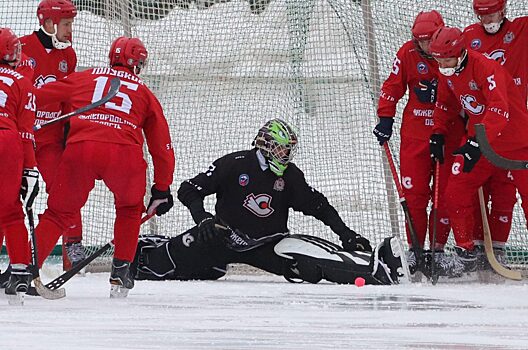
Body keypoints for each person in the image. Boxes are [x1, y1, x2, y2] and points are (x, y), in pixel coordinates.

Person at [131, 119, 410, 286]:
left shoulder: (290, 175)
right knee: (158, 268)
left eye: (288, 149)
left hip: (266, 244)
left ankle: (374, 267)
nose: (285, 154)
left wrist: (346, 234)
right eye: (280, 148)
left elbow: (318, 206)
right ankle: (144, 249)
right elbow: (188, 189)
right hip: (220, 237)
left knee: (306, 261)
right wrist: (202, 218)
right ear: (264, 145)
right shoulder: (235, 163)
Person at [31, 36, 175, 298]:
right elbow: (161, 146)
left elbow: (39, 97)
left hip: (81, 149)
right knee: (130, 210)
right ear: (138, 64)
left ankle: (26, 271)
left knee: (58, 214)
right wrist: (162, 187)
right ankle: (120, 275)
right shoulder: (144, 92)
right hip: (124, 156)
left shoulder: (85, 77)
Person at [429, 26, 528, 275]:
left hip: (515, 141)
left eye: (446, 58)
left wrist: (476, 141)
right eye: (438, 59)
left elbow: (498, 109)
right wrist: (438, 131)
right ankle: (466, 253)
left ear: (461, 52)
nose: (442, 64)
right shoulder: (446, 70)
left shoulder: (485, 67)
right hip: (479, 139)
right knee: (456, 190)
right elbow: (445, 102)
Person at [373, 10, 465, 277]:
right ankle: (414, 250)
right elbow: (392, 87)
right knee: (414, 195)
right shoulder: (406, 54)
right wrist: (385, 117)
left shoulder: (453, 50)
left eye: (429, 40)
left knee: (446, 194)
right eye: (420, 41)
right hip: (415, 135)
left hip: (450, 133)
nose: (425, 47)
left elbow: (470, 87)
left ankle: (437, 250)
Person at [19, 0, 84, 269]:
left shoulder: (68, 56)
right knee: (10, 197)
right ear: (48, 24)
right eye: (66, 24)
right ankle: (18, 261)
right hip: (22, 140)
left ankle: (73, 246)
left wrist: (71, 132)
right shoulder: (20, 49)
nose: (70, 30)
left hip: (51, 141)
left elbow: (68, 99)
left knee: (64, 189)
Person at [463, 0, 528, 269]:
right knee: (472, 186)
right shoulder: (468, 36)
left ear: (504, 10)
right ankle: (476, 250)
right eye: (482, 14)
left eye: (492, 12)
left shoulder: (522, 29)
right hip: (481, 127)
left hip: (514, 129)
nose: (488, 18)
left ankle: (497, 249)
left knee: (507, 190)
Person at [0, 28, 39, 300]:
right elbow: (26, 132)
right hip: (6, 141)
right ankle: (20, 273)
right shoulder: (22, 81)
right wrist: (30, 168)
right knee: (11, 210)